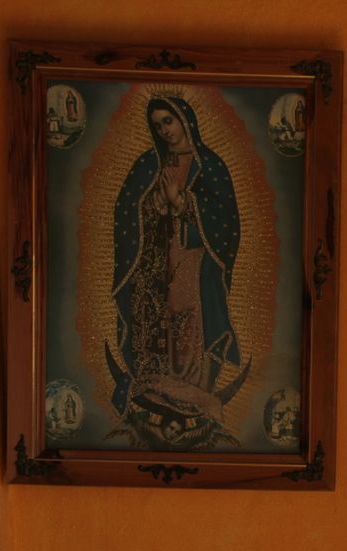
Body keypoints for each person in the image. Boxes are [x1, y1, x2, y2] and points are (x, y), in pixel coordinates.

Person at [109, 95, 244, 449]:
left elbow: (226, 223)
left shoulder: (211, 165)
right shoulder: (147, 164)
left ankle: (194, 393)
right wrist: (157, 205)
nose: (164, 130)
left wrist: (182, 202)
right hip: (155, 258)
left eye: (168, 120)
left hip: (194, 260)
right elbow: (126, 211)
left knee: (189, 318)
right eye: (157, 125)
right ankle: (161, 387)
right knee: (159, 317)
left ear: (186, 119)